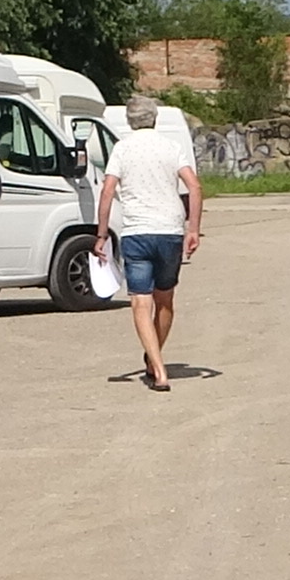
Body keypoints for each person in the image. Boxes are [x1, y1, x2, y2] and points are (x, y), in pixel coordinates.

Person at [97, 98, 204, 391]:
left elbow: (107, 191)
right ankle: (154, 357)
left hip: (137, 233)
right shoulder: (171, 147)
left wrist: (102, 233)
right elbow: (194, 186)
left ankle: (158, 369)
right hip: (170, 230)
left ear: (131, 122)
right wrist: (193, 228)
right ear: (155, 118)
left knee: (139, 302)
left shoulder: (122, 149)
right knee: (165, 300)